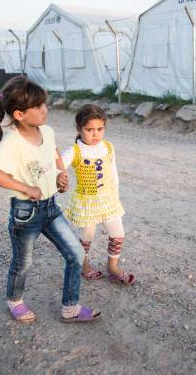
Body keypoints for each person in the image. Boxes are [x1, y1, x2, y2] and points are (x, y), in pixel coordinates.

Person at [0, 76, 100, 323]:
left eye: (44, 104)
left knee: (76, 254)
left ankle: (70, 308)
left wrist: (61, 172)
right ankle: (15, 300)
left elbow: (54, 151)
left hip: (51, 208)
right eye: (37, 107)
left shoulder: (46, 130)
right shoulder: (12, 141)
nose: (44, 110)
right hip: (26, 213)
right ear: (19, 114)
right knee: (23, 262)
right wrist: (27, 188)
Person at [60, 104, 135, 285]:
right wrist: (59, 175)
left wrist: (115, 195)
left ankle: (113, 268)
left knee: (118, 233)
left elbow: (113, 171)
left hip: (108, 199)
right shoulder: (75, 151)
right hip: (87, 201)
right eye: (89, 130)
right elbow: (58, 165)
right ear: (79, 128)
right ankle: (84, 266)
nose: (95, 134)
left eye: (100, 129)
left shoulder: (108, 147)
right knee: (87, 236)